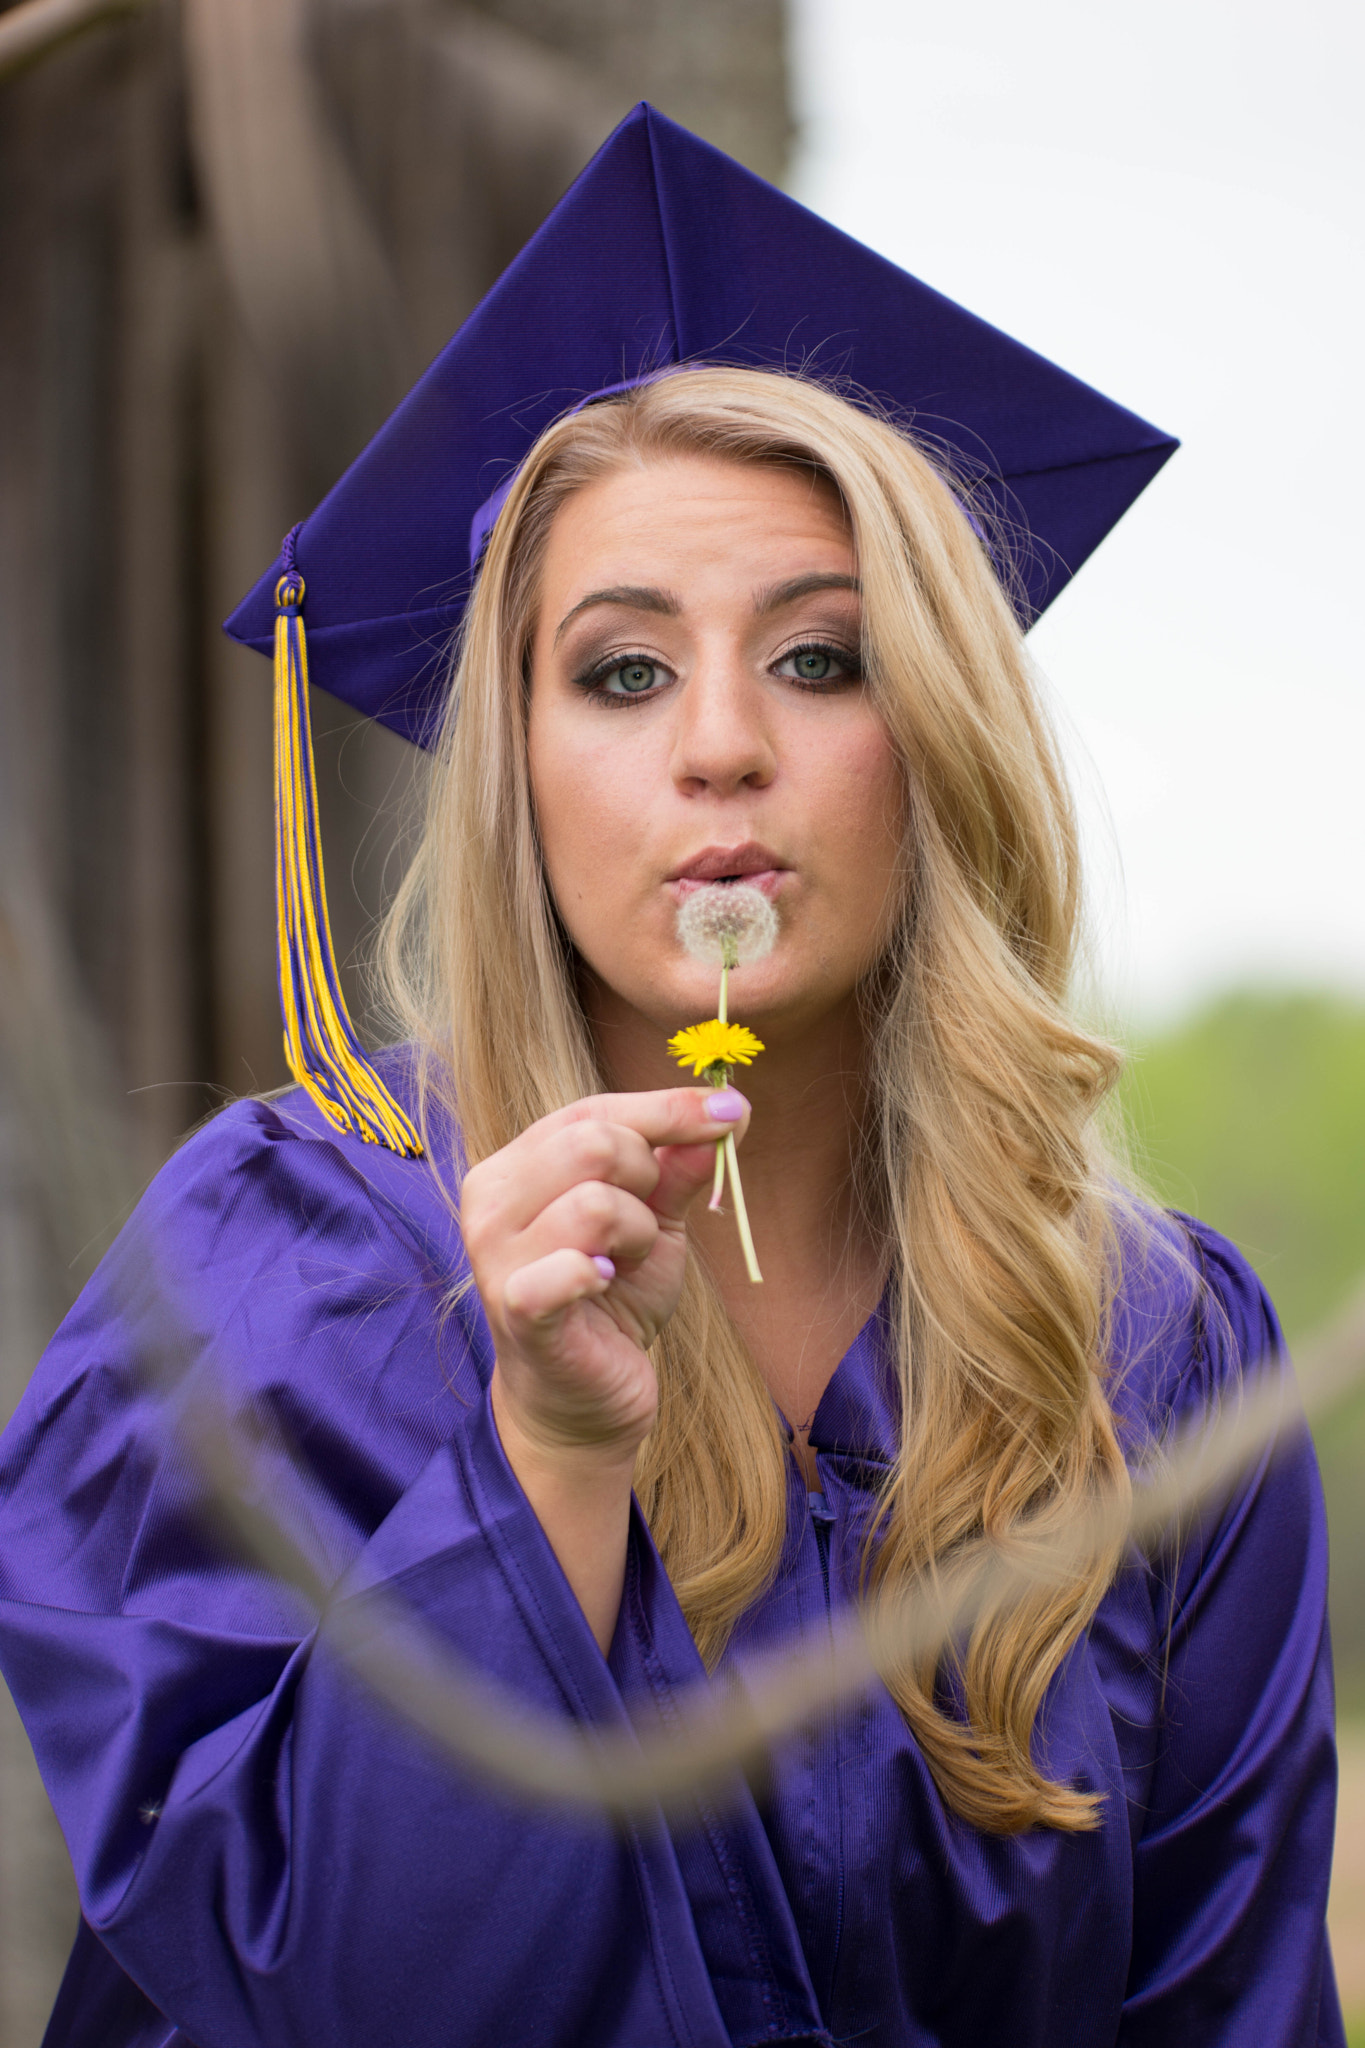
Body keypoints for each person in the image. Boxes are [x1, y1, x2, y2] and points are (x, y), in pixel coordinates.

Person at [0, 106, 1341, 2048]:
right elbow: (335, 1996)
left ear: (937, 740)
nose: (719, 744)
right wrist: (543, 1451)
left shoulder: (1145, 1349)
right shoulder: (281, 1264)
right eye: (619, 672)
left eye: (820, 659)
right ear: (512, 765)